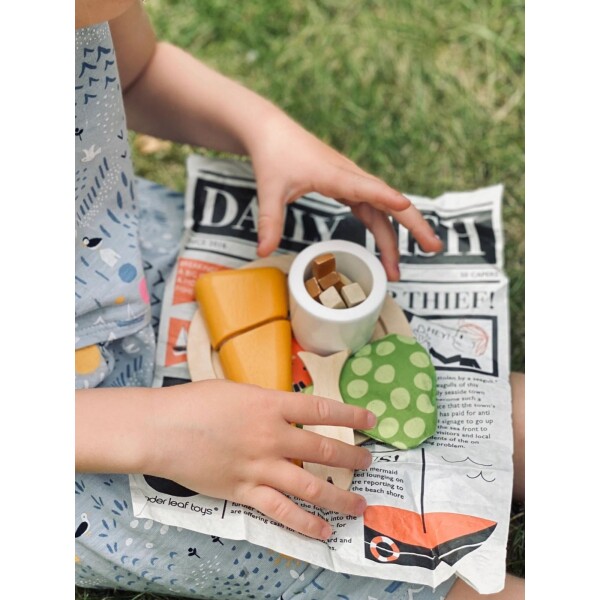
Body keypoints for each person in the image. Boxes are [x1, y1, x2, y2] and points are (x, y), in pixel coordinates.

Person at [75, 2, 524, 598]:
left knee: (491, 412)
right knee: (346, 555)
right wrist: (153, 430)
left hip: (113, 253)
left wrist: (264, 128)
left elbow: (134, 72)